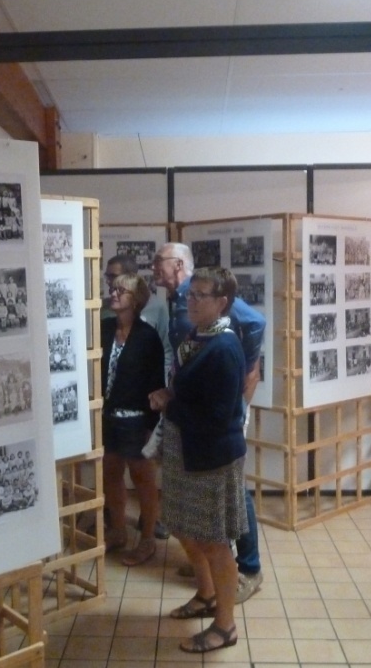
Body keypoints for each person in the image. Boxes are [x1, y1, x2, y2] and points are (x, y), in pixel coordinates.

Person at [152, 242, 265, 604]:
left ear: (178, 265)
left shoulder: (219, 331)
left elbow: (256, 323)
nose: (155, 268)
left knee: (228, 495)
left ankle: (247, 566)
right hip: (193, 412)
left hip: (214, 420)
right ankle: (209, 568)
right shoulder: (180, 301)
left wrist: (246, 377)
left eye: (161, 262)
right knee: (202, 508)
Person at [149, 267, 246, 653]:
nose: (190, 301)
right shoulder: (199, 336)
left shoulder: (223, 348)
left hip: (211, 458)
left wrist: (170, 403)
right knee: (183, 526)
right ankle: (205, 595)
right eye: (189, 294)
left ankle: (225, 626)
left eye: (199, 296)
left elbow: (219, 417)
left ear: (221, 303)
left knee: (214, 542)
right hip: (186, 450)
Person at [102, 254, 173, 541]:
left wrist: (150, 424)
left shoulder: (147, 337)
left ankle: (146, 540)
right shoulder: (105, 329)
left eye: (121, 290)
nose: (113, 294)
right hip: (109, 417)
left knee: (143, 481)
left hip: (136, 419)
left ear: (136, 299)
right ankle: (118, 531)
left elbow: (155, 382)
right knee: (111, 476)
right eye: (113, 288)